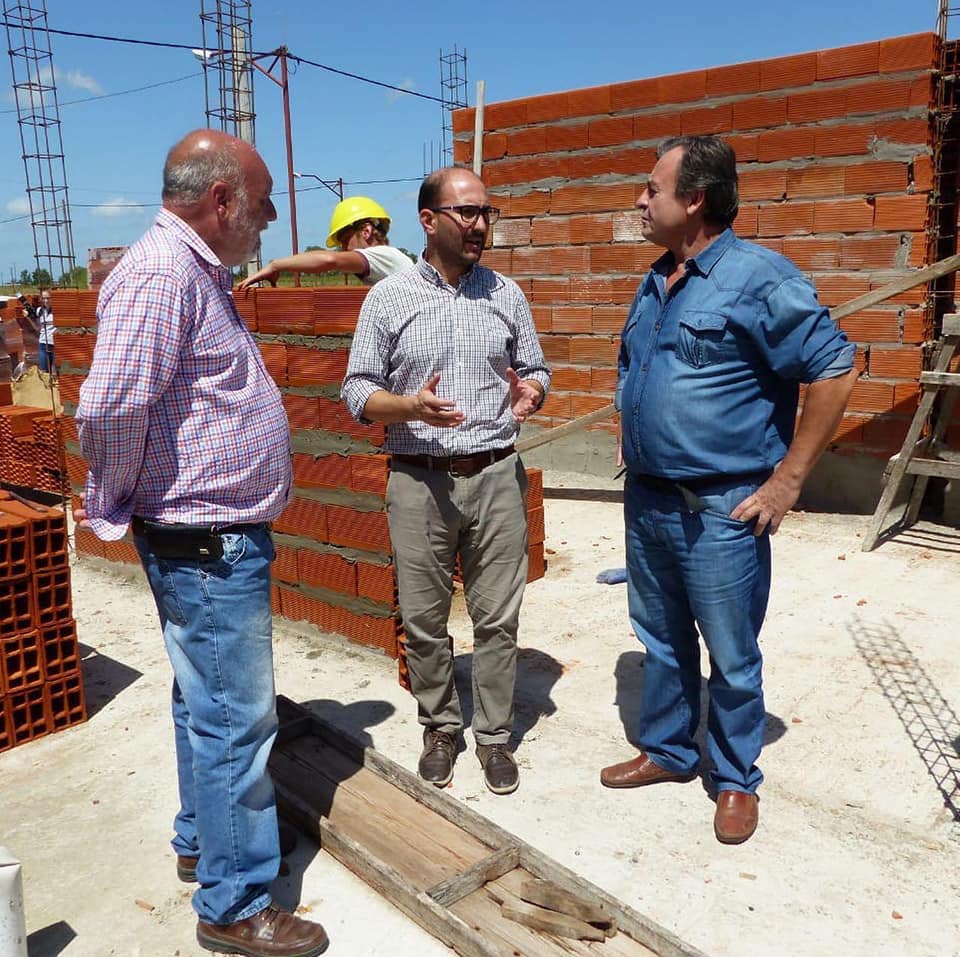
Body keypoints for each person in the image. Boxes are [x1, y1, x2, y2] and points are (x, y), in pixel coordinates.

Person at [75, 129, 329, 957]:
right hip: (206, 542)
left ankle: (203, 839)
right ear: (221, 201)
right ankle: (235, 901)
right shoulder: (161, 273)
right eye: (262, 204)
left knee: (204, 702)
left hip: (210, 539)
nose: (270, 219)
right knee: (235, 723)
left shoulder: (191, 269)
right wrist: (115, 498)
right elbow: (111, 406)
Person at [600, 135, 858, 845]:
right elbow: (635, 364)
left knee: (732, 652)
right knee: (660, 640)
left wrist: (787, 480)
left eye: (652, 189)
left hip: (722, 510)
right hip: (649, 502)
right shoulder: (657, 279)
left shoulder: (759, 279)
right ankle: (669, 750)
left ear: (694, 199)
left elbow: (835, 369)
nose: (640, 200)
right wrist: (632, 428)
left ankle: (736, 776)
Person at [341, 167, 551, 796]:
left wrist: (531, 391)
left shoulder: (506, 294)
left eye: (486, 212)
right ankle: (439, 727)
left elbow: (536, 367)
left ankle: (494, 736)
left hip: (496, 474)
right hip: (419, 480)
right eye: (466, 212)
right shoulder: (389, 298)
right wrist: (409, 406)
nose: (479, 224)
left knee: (498, 619)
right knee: (425, 620)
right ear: (429, 221)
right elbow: (356, 390)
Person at [238, 195, 413, 290]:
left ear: (366, 232)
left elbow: (329, 260)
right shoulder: (388, 262)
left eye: (345, 240)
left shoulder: (383, 255)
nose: (344, 249)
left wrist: (275, 265)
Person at [36, 290, 55, 373]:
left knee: (58, 372)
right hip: (43, 344)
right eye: (43, 298)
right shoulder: (40, 310)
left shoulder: (59, 311)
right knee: (44, 371)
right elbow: (31, 314)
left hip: (56, 344)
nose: (46, 301)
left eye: (48, 298)